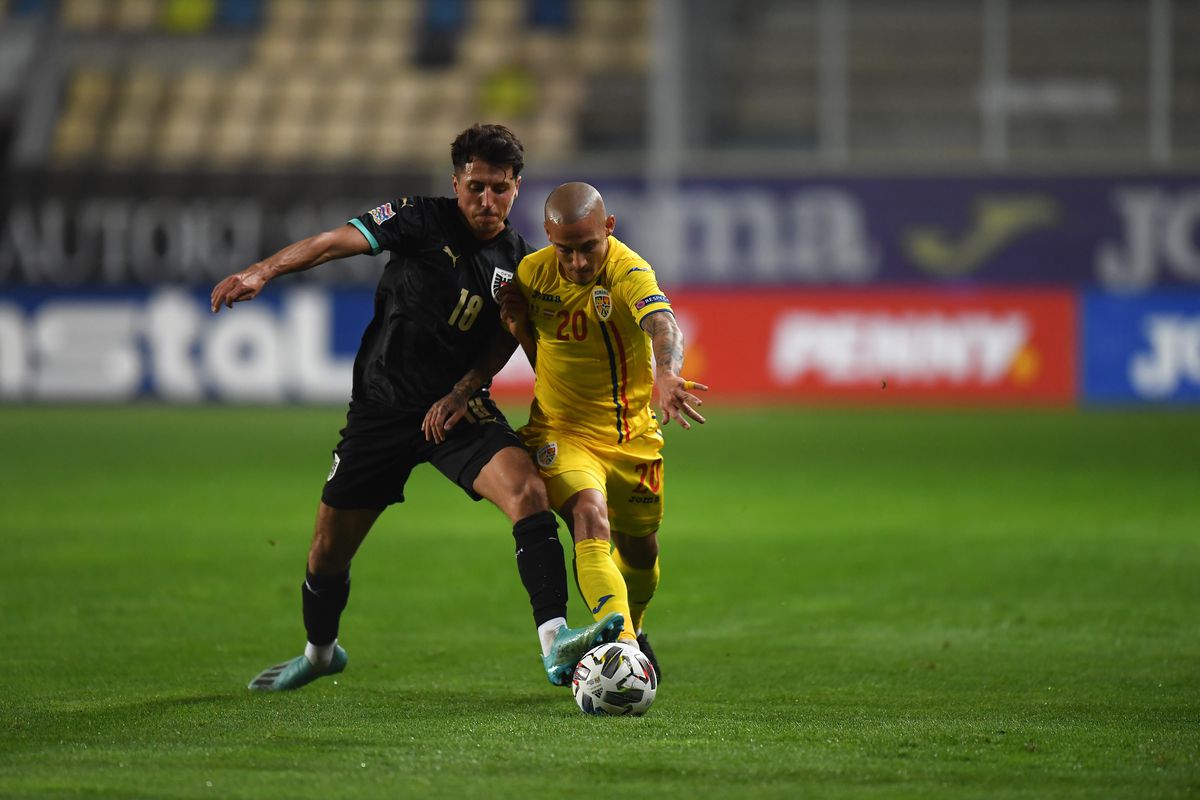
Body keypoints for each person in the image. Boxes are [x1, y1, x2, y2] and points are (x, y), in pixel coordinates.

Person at [209, 125, 621, 692]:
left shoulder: (520, 262)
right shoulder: (418, 219)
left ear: (517, 188)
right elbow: (333, 242)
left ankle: (555, 644)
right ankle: (320, 652)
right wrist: (263, 270)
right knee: (327, 552)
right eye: (475, 186)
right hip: (381, 410)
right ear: (456, 182)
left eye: (499, 189)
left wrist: (464, 389)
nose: (486, 201)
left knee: (528, 490)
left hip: (456, 411)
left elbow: (504, 338)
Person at [499, 182, 708, 681]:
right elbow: (535, 344)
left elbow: (663, 323)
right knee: (590, 518)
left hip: (631, 435)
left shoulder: (628, 269)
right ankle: (626, 653)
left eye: (587, 247)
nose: (575, 262)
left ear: (608, 229)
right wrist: (516, 328)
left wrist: (666, 374)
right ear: (548, 237)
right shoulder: (532, 274)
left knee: (642, 551)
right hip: (562, 431)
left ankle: (634, 626)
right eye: (563, 250)